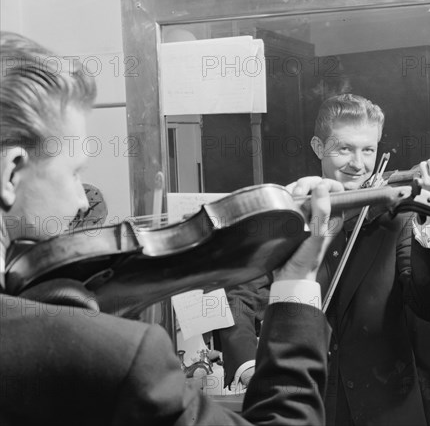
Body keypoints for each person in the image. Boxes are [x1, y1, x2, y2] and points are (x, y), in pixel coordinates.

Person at [0, 31, 344, 426]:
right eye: (75, 173)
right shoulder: (114, 358)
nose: (83, 200)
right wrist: (297, 282)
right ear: (12, 172)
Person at [215, 94, 430, 425]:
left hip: (388, 409)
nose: (359, 163)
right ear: (318, 147)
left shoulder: (398, 216)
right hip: (306, 406)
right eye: (344, 149)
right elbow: (237, 295)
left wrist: (429, 219)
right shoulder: (291, 214)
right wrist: (248, 367)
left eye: (368, 150)